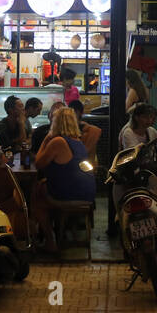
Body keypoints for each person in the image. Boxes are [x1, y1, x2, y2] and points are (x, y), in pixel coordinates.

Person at [33, 107, 96, 251]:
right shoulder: (78, 141)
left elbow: (38, 163)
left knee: (36, 197)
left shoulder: (58, 142)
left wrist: (46, 138)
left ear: (55, 122)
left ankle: (50, 240)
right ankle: (58, 232)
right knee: (44, 188)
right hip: (88, 194)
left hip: (70, 195)